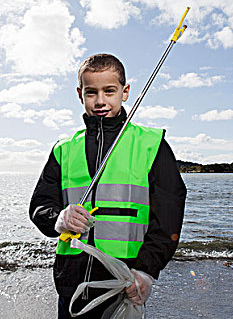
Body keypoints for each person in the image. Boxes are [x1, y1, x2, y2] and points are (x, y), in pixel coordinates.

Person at [29, 53, 186, 318]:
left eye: (109, 91)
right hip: (72, 283)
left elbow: (168, 219)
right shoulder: (64, 149)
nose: (100, 101)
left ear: (125, 92)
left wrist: (147, 271)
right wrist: (59, 218)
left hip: (124, 283)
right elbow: (39, 206)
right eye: (92, 92)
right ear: (80, 94)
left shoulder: (151, 144)